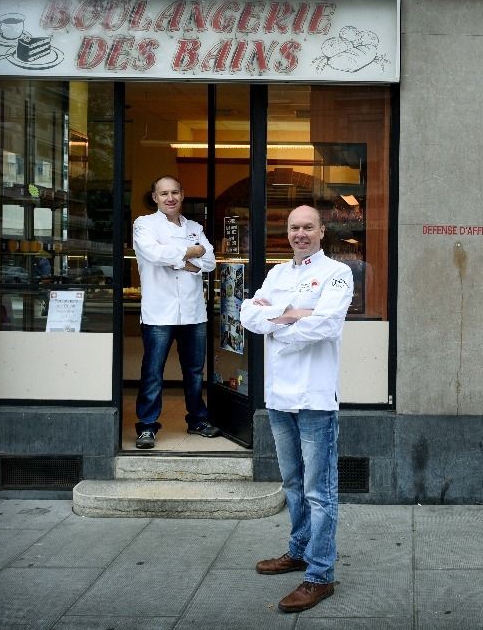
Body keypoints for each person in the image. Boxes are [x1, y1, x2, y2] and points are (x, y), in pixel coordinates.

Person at [240, 205, 353, 613]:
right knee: (291, 483)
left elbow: (326, 325)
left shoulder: (338, 273)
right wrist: (289, 316)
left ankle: (320, 575)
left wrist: (279, 320)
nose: (300, 233)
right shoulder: (277, 273)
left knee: (319, 492)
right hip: (279, 398)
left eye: (308, 227)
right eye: (294, 227)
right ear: (286, 232)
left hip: (315, 399)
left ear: (322, 231)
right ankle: (299, 550)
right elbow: (247, 315)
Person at [132, 176, 221, 449]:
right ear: (155, 197)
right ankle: (147, 426)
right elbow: (155, 254)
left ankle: (197, 419)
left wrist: (182, 260)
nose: (169, 198)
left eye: (174, 192)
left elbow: (209, 262)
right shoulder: (144, 224)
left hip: (193, 312)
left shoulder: (194, 226)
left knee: (194, 371)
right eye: (163, 193)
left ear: (182, 195)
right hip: (159, 312)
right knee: (153, 371)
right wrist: (190, 254)